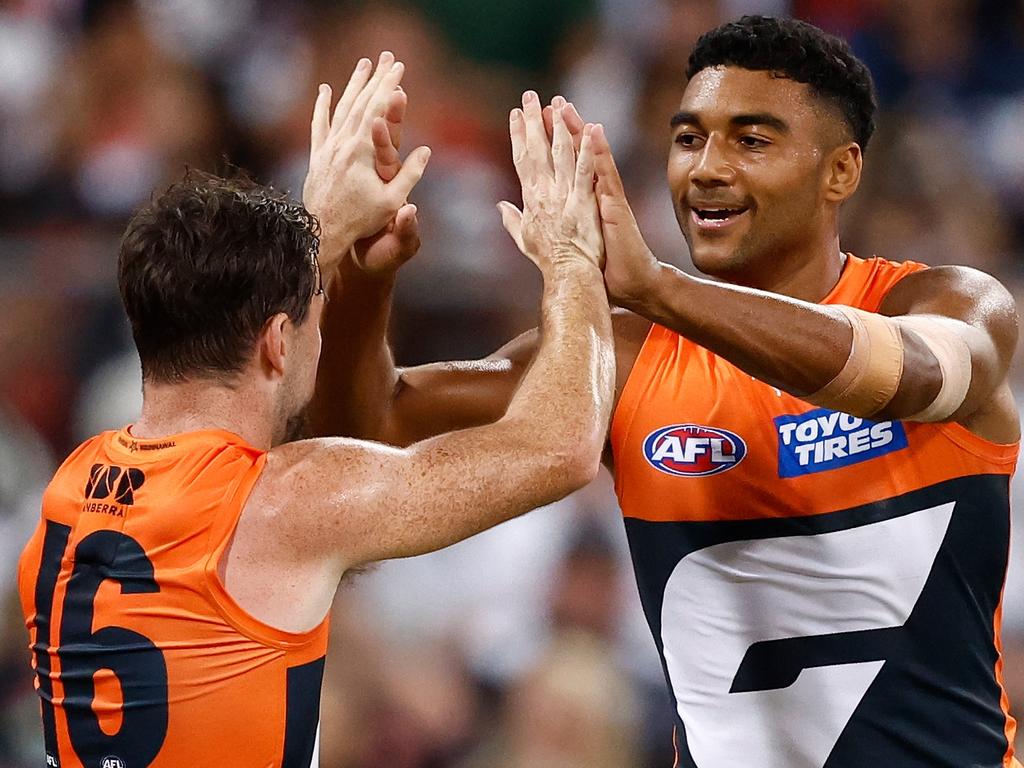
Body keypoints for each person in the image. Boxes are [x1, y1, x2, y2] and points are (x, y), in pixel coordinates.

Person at [317, 17, 1021, 768]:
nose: (707, 169)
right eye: (689, 139)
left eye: (752, 140)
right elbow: (371, 431)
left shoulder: (945, 302)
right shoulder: (626, 354)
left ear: (840, 172)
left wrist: (658, 286)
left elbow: (915, 377)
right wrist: (363, 277)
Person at [16, 52, 615, 768]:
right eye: (312, 321)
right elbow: (560, 448)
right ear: (276, 344)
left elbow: (240, 337)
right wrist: (574, 261)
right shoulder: (287, 501)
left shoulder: (70, 489)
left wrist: (330, 238)